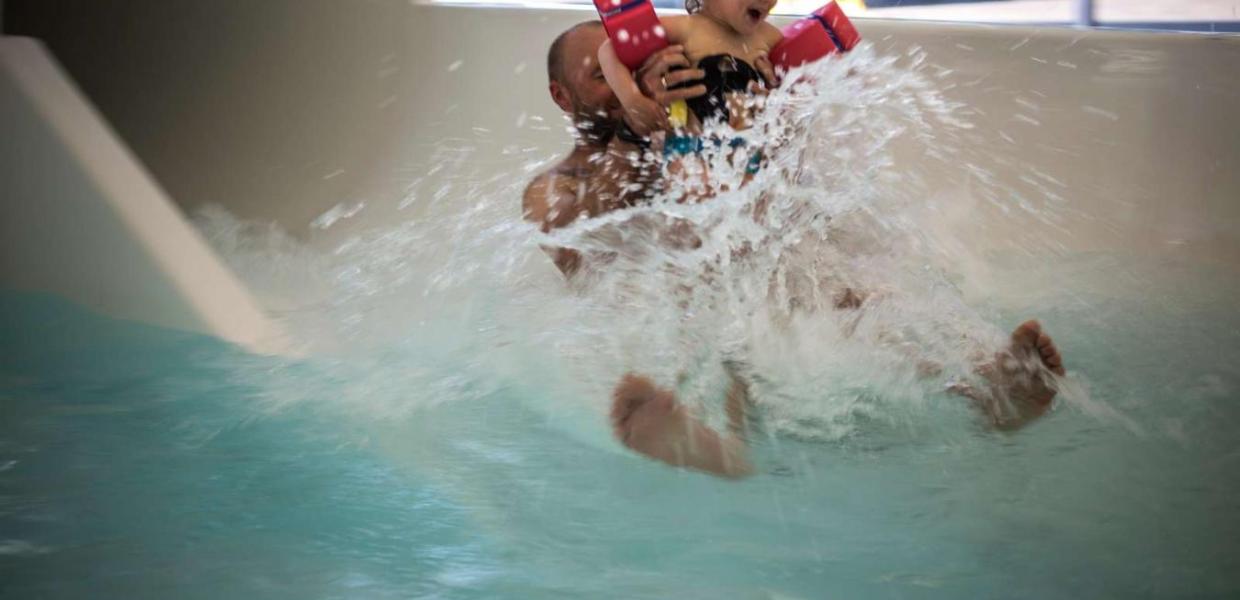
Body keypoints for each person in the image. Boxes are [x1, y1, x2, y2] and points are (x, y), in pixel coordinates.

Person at [527, 21, 1069, 480]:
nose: (629, 81)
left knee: (857, 291)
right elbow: (580, 236)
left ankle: (987, 391)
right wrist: (634, 122)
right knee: (707, 315)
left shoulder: (685, 140)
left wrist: (770, 107)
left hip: (764, 300)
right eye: (604, 76)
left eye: (632, 67)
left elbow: (776, 195)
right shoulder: (553, 185)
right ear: (562, 96)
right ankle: (721, 444)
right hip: (677, 318)